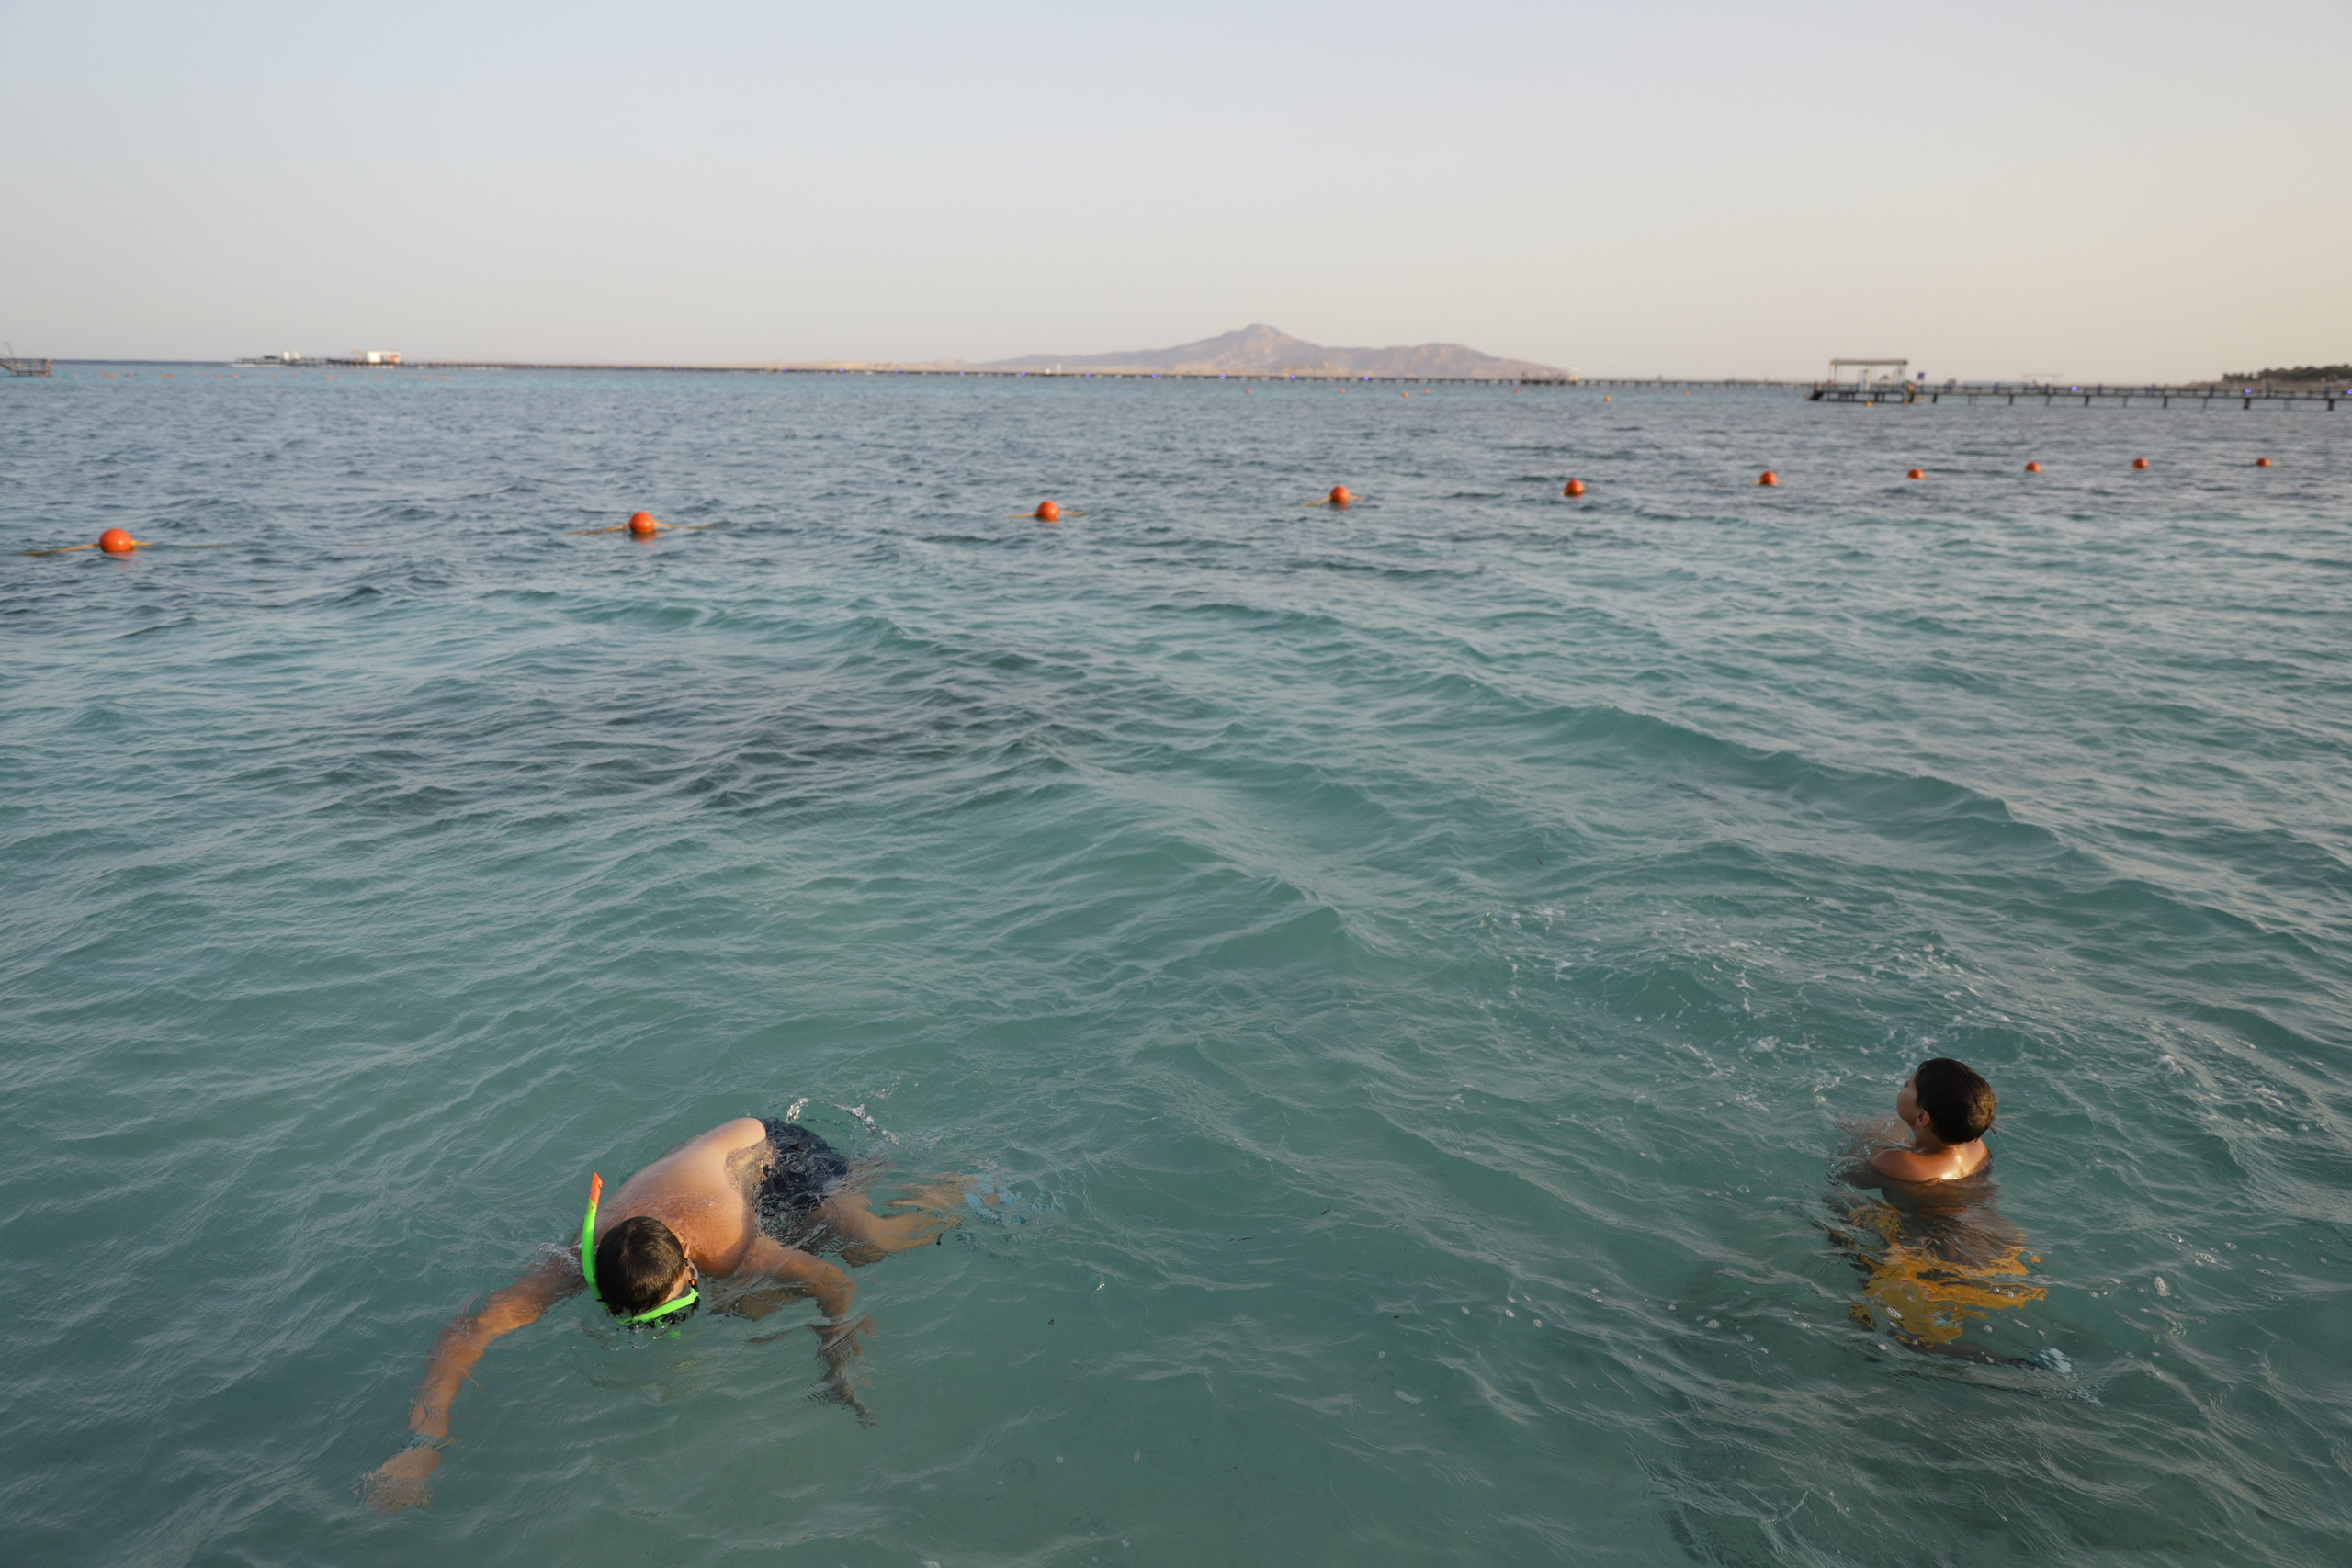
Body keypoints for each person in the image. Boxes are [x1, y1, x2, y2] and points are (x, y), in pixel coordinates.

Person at [362, 1115, 966, 1512]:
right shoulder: (577, 1262)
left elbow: (834, 1285)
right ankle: (853, 1184)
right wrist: (423, 1440)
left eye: (681, 1303)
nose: (673, 1324)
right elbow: (469, 1330)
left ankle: (955, 1188)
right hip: (712, 1182)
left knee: (866, 1247)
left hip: (773, 1151)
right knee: (750, 1310)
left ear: (691, 1268)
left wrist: (835, 1349)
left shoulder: (730, 1246)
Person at [1867, 1057, 1994, 1181]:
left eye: (1909, 1085)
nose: (1905, 1083)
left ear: (1921, 1117)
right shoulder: (1977, 1146)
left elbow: (1853, 1177)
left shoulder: (1893, 1160)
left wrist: (1870, 1142)